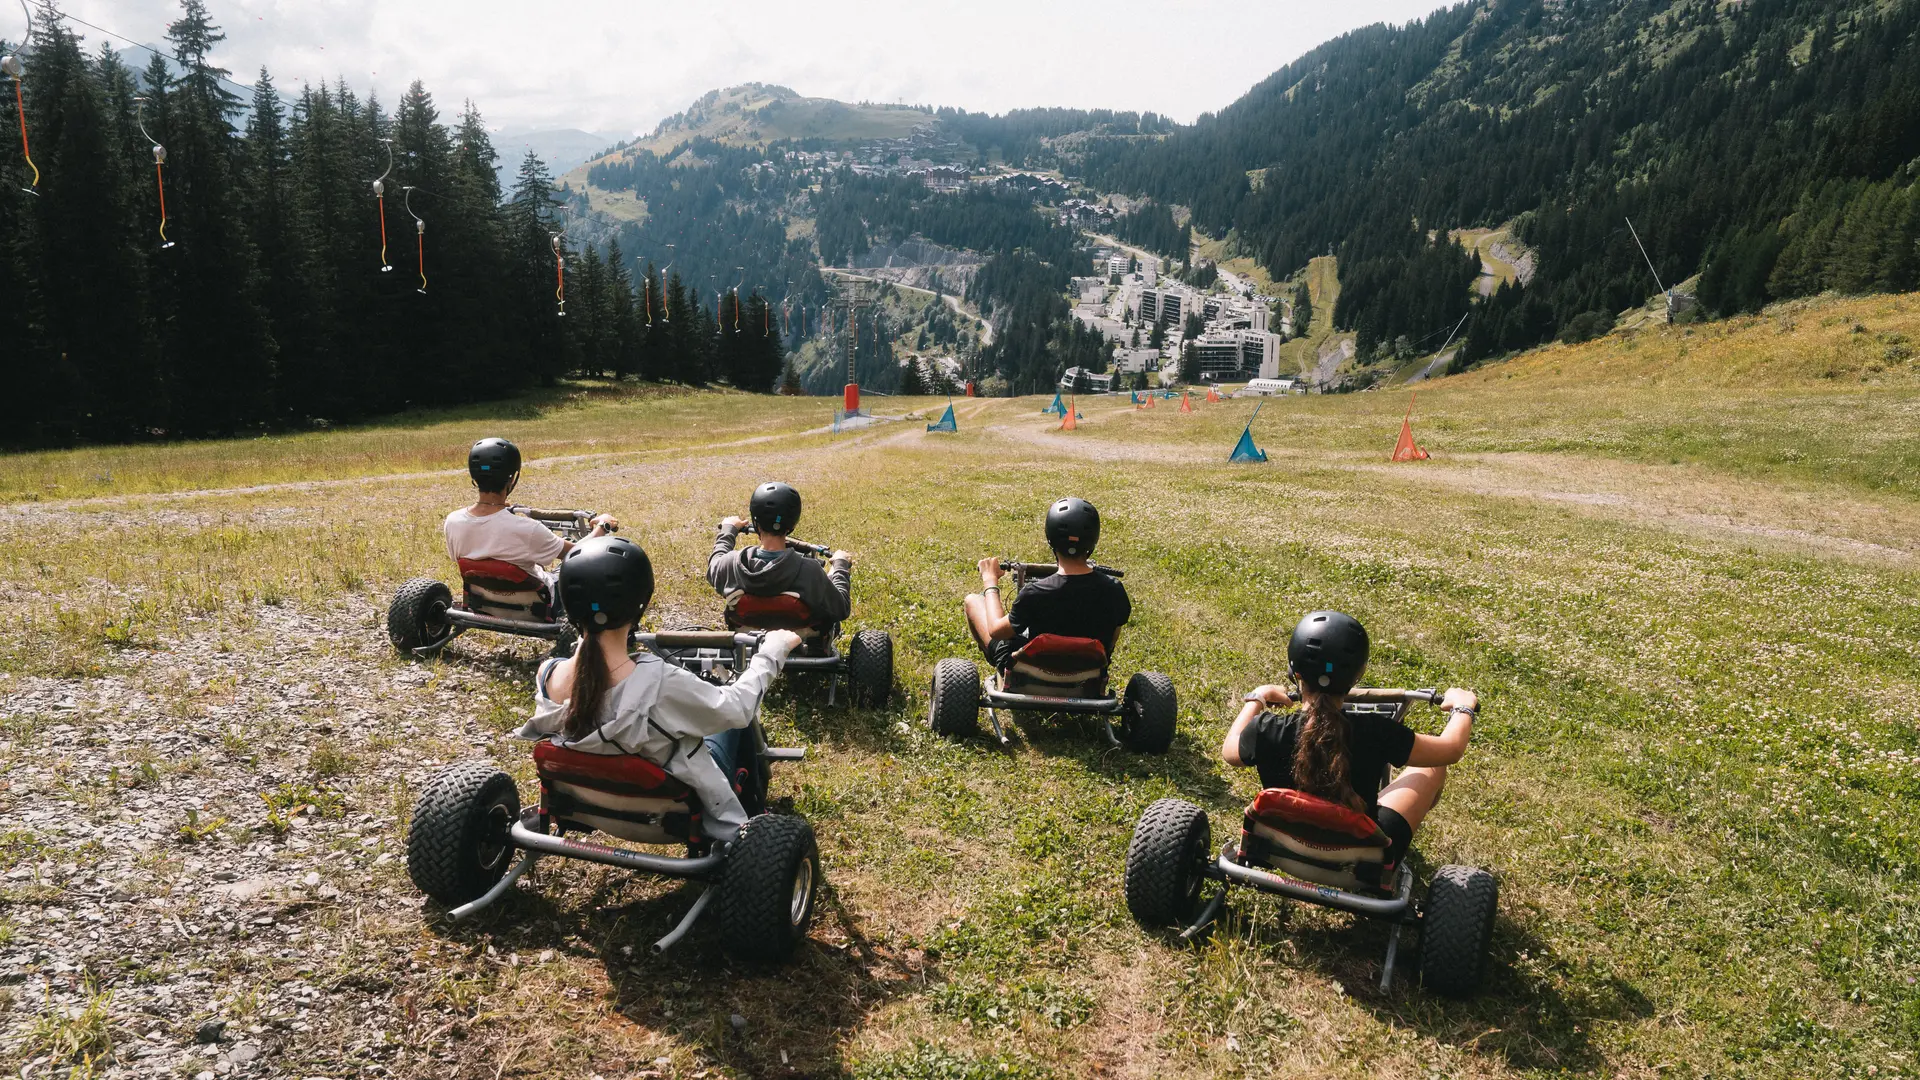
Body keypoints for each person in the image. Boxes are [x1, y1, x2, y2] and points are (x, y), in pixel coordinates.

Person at [518, 535, 803, 842]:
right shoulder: (658, 683)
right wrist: (772, 651)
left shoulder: (548, 675)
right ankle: (750, 827)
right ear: (640, 602)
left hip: (584, 804)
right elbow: (737, 709)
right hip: (670, 817)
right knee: (732, 718)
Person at [1221, 610, 1479, 868]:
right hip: (1362, 861)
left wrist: (1258, 698)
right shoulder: (1377, 731)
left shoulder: (1268, 728)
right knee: (1433, 765)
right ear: (1358, 675)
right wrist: (1463, 707)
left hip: (1281, 846)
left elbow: (1230, 751)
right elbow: (1451, 749)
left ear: (1295, 672)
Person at [963, 497, 1132, 669]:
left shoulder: (1035, 593)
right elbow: (1111, 641)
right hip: (1088, 671)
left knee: (973, 601)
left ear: (1050, 538)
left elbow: (996, 631)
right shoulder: (1114, 590)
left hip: (1032, 672)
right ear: (1093, 539)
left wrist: (990, 581)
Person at [443, 437, 615, 599]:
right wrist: (603, 525)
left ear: (474, 477)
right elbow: (578, 553)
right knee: (568, 564)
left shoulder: (453, 521)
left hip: (482, 599)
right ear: (511, 479)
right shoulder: (527, 529)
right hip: (537, 604)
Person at [708, 482, 853, 628]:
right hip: (801, 648)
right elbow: (841, 609)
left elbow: (714, 563)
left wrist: (728, 530)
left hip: (746, 647)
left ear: (755, 521)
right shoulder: (810, 572)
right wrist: (840, 567)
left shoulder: (731, 564)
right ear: (792, 524)